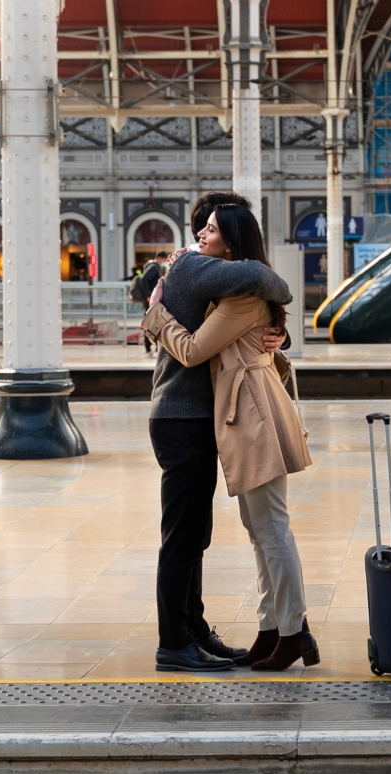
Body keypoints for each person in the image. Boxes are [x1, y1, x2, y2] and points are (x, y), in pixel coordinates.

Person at [144, 204, 319, 671]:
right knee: (258, 531)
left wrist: (155, 315)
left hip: (253, 419)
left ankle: (292, 631)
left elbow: (195, 349)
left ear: (233, 244)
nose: (201, 233)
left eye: (212, 227)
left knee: (269, 530)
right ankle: (269, 629)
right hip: (238, 418)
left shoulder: (240, 292)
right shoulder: (222, 281)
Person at [133, 250, 171, 353]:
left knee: (151, 321)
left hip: (152, 300)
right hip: (151, 300)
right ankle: (150, 346)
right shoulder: (154, 267)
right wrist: (148, 295)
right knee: (153, 321)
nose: (165, 262)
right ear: (160, 258)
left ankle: (151, 346)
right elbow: (144, 280)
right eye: (164, 259)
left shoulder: (150, 266)